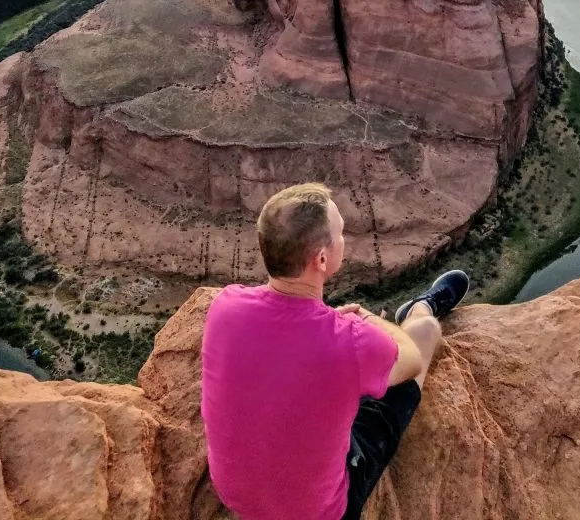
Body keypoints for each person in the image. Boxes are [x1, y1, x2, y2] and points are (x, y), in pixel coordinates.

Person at [201, 182, 470, 520]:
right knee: (426, 334)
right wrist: (369, 320)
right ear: (322, 258)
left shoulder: (224, 305)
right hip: (320, 512)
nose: (345, 239)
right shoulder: (350, 340)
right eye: (341, 233)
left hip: (236, 495)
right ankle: (419, 309)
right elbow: (412, 360)